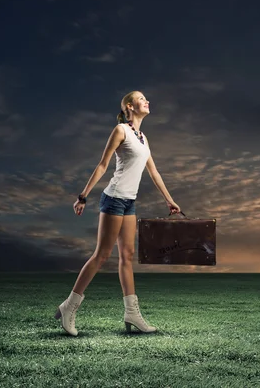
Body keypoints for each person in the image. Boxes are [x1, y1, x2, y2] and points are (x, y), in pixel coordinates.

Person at [54, 90, 181, 336]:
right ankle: (70, 306)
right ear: (129, 107)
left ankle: (132, 314)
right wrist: (83, 196)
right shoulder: (121, 130)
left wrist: (170, 200)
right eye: (142, 98)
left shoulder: (144, 138)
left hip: (129, 202)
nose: (147, 101)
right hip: (113, 199)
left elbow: (154, 173)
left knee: (127, 256)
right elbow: (103, 164)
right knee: (102, 255)